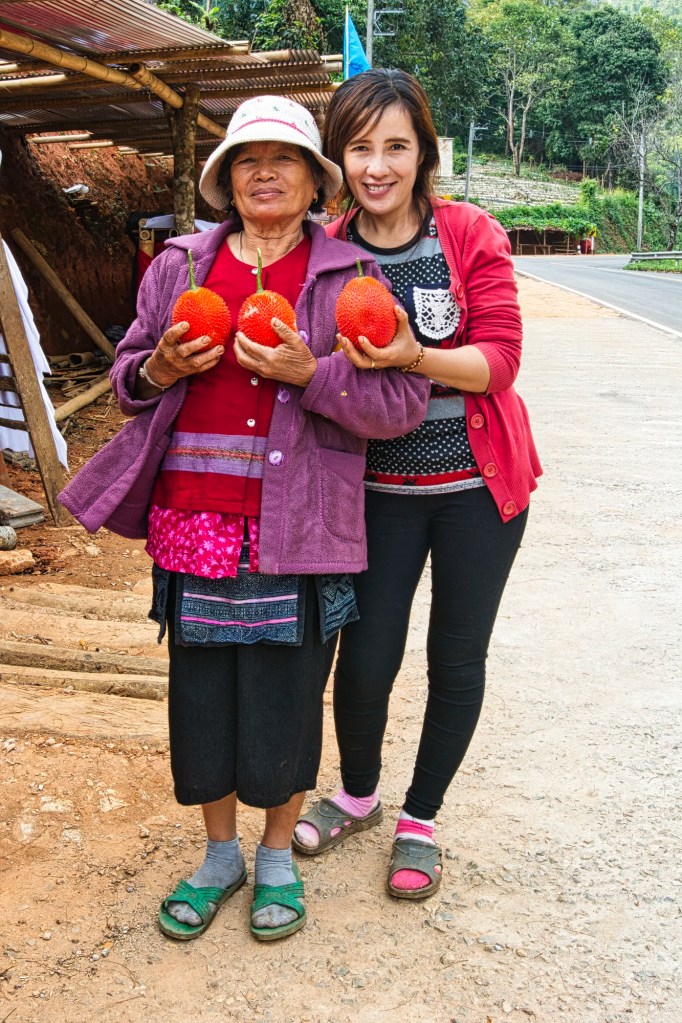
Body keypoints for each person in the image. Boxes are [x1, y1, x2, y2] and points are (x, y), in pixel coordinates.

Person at [59, 94, 429, 940]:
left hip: (299, 522)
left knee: (287, 695)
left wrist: (313, 373)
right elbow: (125, 383)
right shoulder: (179, 270)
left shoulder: (350, 278)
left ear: (312, 182)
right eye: (247, 160)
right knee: (202, 695)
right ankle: (218, 855)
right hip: (196, 514)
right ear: (225, 180)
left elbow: (403, 402)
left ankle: (273, 858)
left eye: (286, 159)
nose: (266, 172)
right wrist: (155, 366)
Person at [294, 70, 542, 900]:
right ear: (338, 157)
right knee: (364, 658)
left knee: (454, 656)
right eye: (360, 146)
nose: (377, 165)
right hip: (374, 494)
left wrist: (412, 357)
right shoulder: (323, 248)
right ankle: (359, 792)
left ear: (423, 152)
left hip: (478, 487)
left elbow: (499, 362)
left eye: (395, 145)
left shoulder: (468, 233)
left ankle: (421, 817)